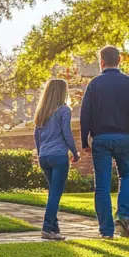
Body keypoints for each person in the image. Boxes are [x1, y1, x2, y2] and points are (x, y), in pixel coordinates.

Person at [80, 46, 129, 239]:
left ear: (101, 62)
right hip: (122, 138)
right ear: (119, 60)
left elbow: (85, 114)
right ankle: (123, 216)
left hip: (100, 139)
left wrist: (85, 140)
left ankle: (106, 231)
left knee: (101, 185)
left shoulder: (94, 84)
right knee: (126, 175)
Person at [33, 78, 79, 241]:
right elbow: (67, 133)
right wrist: (75, 152)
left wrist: (40, 154)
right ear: (62, 92)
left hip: (44, 157)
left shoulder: (41, 112)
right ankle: (46, 228)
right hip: (59, 156)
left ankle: (55, 231)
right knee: (55, 194)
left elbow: (36, 137)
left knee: (53, 193)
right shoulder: (64, 110)